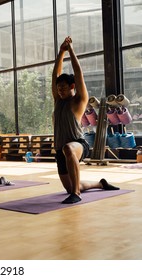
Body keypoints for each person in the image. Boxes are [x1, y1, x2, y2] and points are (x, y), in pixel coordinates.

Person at [52, 36, 119, 204]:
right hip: (60, 150)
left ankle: (76, 194)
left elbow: (78, 74)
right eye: (58, 88)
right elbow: (55, 75)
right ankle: (99, 183)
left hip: (78, 145)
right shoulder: (58, 101)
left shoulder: (78, 101)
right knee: (70, 185)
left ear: (72, 87)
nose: (60, 91)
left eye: (63, 88)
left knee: (69, 148)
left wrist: (71, 50)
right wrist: (61, 52)